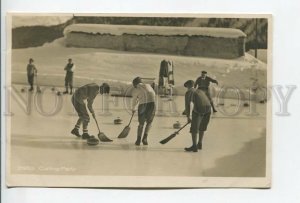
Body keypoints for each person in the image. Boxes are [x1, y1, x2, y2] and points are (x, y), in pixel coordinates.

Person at [184, 80, 211, 152]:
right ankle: (200, 144)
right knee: (202, 127)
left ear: (188, 86)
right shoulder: (200, 91)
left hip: (200, 108)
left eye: (186, 87)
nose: (186, 89)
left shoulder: (189, 92)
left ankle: (194, 146)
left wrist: (188, 117)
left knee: (194, 129)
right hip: (208, 108)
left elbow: (188, 105)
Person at [131, 77, 156, 146]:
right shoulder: (148, 85)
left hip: (143, 105)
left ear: (135, 84)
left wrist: (133, 109)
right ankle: (145, 138)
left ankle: (138, 140)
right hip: (152, 104)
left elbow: (134, 100)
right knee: (149, 122)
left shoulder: (135, 89)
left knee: (141, 123)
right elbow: (151, 94)